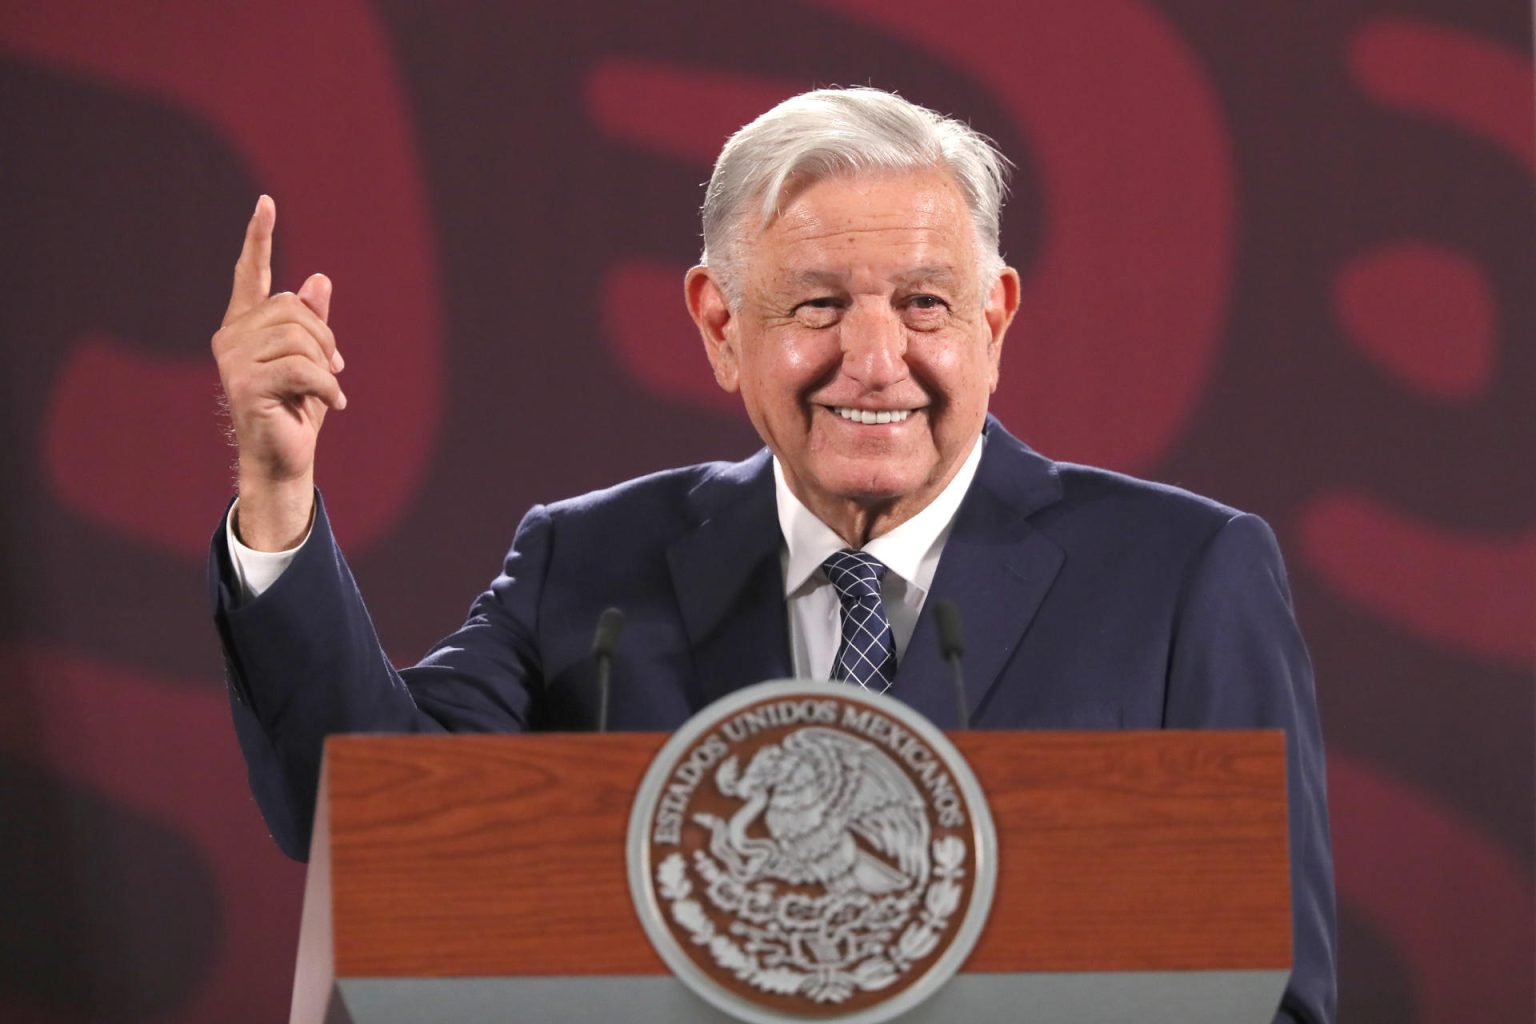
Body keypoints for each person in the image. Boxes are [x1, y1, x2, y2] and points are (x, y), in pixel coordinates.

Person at [209, 87, 1336, 1022]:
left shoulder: (1185, 574)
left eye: (925, 303)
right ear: (717, 325)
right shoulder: (590, 565)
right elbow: (365, 815)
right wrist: (278, 492)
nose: (876, 357)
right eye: (818, 303)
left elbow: (1274, 992)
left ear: (993, 320)